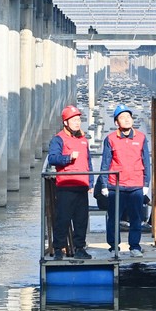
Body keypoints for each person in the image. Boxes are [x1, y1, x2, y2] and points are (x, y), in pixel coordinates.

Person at [99, 105, 152, 256]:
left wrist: (146, 183)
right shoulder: (110, 139)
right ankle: (114, 246)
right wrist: (104, 184)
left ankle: (134, 246)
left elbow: (146, 162)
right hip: (116, 185)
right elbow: (105, 162)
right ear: (116, 122)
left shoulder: (141, 137)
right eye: (122, 118)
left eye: (128, 117)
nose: (127, 120)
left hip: (136, 184)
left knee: (136, 217)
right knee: (114, 218)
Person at [47, 105, 93, 260]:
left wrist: (91, 182)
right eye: (74, 120)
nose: (77, 122)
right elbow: (52, 158)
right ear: (65, 122)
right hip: (66, 186)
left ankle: (80, 248)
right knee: (63, 219)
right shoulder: (58, 139)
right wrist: (68, 158)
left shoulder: (83, 140)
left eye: (78, 119)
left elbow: (88, 162)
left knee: (81, 220)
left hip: (82, 185)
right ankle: (58, 249)